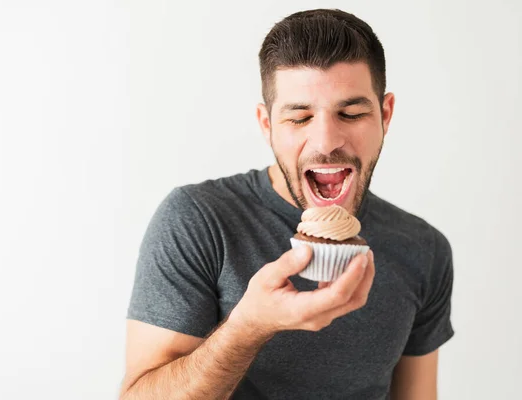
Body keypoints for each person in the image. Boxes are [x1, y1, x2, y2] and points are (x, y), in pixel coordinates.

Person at [120, 8, 454, 400]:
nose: (326, 141)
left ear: (385, 114)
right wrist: (249, 327)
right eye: (299, 118)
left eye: (351, 113)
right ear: (267, 125)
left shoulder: (424, 248)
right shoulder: (198, 220)